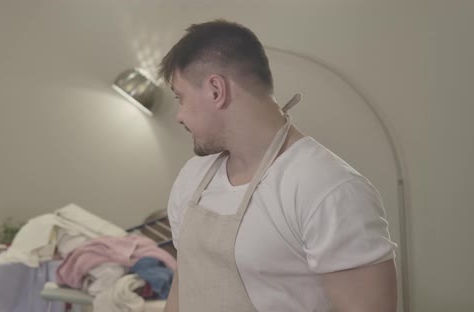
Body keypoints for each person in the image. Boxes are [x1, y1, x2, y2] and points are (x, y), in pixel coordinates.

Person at [159, 20, 398, 312]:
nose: (179, 116)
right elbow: (184, 288)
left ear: (215, 90)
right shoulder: (192, 177)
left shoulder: (328, 189)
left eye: (180, 97)